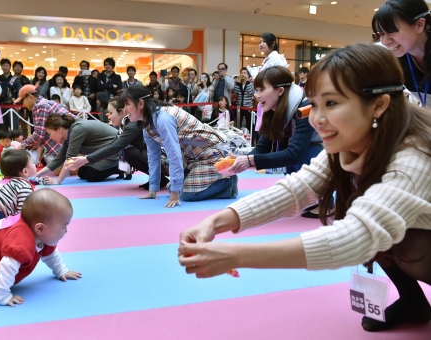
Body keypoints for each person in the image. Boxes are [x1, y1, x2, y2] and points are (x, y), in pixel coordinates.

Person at [178, 43, 431, 333]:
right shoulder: (353, 141)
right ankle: (414, 301)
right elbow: (299, 187)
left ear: (379, 104)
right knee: (375, 222)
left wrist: (235, 256)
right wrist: (216, 222)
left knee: (385, 232)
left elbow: (356, 236)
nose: (316, 118)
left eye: (332, 103)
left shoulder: (414, 156)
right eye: (314, 104)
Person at [220, 66, 323, 212]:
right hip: (302, 152)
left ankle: (325, 201)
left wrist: (250, 161)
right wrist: (241, 160)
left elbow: (295, 154)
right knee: (292, 167)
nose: (257, 95)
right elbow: (262, 148)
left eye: (262, 90)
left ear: (280, 90)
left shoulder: (305, 108)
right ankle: (309, 199)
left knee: (303, 156)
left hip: (325, 152)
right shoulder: (274, 109)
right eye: (256, 90)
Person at [121, 86, 238, 207]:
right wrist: (153, 189)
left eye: (126, 104)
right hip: (193, 159)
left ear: (140, 104)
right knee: (172, 187)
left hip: (211, 156)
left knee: (186, 194)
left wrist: (176, 194)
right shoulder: (147, 124)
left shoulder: (163, 119)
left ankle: (228, 184)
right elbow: (153, 156)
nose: (124, 109)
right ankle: (214, 179)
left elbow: (174, 155)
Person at [69, 97, 169, 189]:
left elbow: (115, 146)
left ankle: (161, 178)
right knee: (128, 154)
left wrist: (86, 159)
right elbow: (113, 144)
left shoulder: (132, 125)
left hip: (168, 160)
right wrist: (87, 159)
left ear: (122, 112)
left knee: (130, 153)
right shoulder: (124, 124)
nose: (108, 116)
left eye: (110, 113)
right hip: (159, 157)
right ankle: (159, 179)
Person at [373, 0, 431, 107]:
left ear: (419, 25)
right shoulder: (394, 55)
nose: (385, 41)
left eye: (392, 31)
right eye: (381, 34)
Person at [37, 113, 123, 185]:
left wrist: (57, 181)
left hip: (114, 151)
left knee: (91, 175)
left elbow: (69, 159)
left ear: (59, 129)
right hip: (103, 152)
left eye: (49, 133)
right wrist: (37, 174)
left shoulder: (77, 129)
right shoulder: (69, 132)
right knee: (82, 173)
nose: (50, 137)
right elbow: (60, 158)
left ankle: (121, 167)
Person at [16, 85, 70, 171]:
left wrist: (23, 145)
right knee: (59, 170)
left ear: (30, 96)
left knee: (62, 170)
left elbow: (39, 134)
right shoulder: (44, 103)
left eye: (23, 100)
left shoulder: (41, 106)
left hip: (70, 142)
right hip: (68, 142)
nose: (23, 104)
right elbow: (42, 133)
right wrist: (32, 143)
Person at [251, 33, 288, 138]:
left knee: (269, 133)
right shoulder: (267, 60)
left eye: (264, 41)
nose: (261, 44)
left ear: (273, 43)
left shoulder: (277, 59)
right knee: (263, 132)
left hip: (272, 100)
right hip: (264, 100)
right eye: (260, 42)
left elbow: (281, 80)